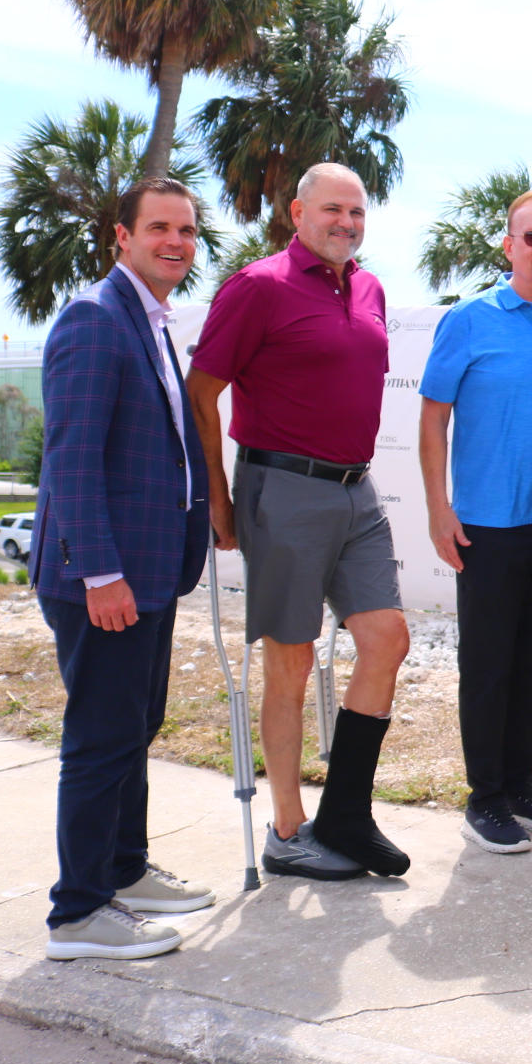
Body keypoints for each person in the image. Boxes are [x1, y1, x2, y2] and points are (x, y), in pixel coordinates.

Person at [188, 163, 411, 881]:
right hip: (282, 488)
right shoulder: (257, 287)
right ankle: (288, 830)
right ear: (297, 212)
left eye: (357, 212)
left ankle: (344, 814)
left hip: (357, 491)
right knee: (291, 661)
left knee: (387, 639)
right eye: (332, 210)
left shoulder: (370, 287)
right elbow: (203, 392)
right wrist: (219, 500)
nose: (346, 223)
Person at [37, 178, 215, 960]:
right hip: (105, 578)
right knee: (103, 736)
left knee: (134, 727)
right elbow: (70, 460)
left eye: (186, 230)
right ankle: (78, 913)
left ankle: (124, 870)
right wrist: (99, 572)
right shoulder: (94, 319)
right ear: (123, 236)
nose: (175, 242)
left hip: (147, 569)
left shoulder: (150, 321)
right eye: (159, 228)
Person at [419, 190, 532, 854]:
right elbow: (432, 417)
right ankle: (485, 798)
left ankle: (520, 786)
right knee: (488, 666)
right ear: (508, 246)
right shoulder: (469, 320)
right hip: (486, 526)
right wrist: (439, 507)